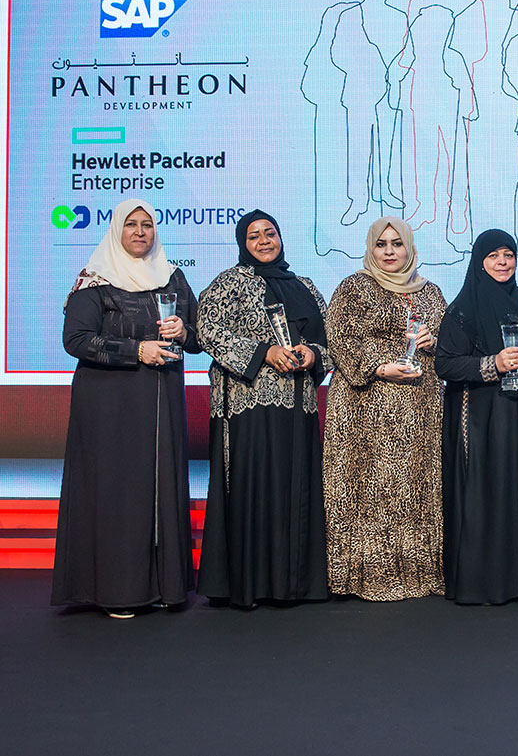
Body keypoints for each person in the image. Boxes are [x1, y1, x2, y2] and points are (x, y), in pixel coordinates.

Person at [51, 199, 201, 618]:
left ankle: (164, 588)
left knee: (157, 490)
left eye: (148, 225)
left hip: (160, 403)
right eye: (131, 225)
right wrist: (137, 350)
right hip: (109, 405)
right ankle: (119, 591)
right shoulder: (94, 281)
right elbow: (76, 340)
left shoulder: (172, 277)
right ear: (117, 231)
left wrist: (183, 329)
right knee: (119, 493)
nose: (140, 232)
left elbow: (197, 339)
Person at [196, 210, 331, 609]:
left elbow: (326, 340)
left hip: (297, 406)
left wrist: (311, 354)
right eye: (253, 236)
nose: (263, 241)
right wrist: (264, 352)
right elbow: (207, 330)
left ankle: (294, 584)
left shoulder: (303, 286)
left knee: (297, 489)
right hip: (248, 405)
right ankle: (252, 584)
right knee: (254, 490)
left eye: (269, 233)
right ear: (243, 243)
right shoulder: (228, 283)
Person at [436, 229, 518, 605]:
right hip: (479, 418)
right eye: (494, 256)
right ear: (479, 261)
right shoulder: (463, 309)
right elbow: (445, 363)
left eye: (509, 254)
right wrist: (492, 363)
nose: (503, 262)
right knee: (486, 493)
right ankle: (484, 583)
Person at [324, 217, 447, 601]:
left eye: (397, 244)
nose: (390, 252)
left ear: (409, 248)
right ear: (371, 248)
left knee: (415, 486)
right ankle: (366, 575)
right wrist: (378, 366)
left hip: (419, 407)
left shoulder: (430, 292)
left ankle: (419, 573)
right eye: (382, 244)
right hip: (365, 409)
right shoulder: (354, 287)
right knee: (371, 488)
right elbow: (338, 339)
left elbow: (452, 346)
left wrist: (433, 341)